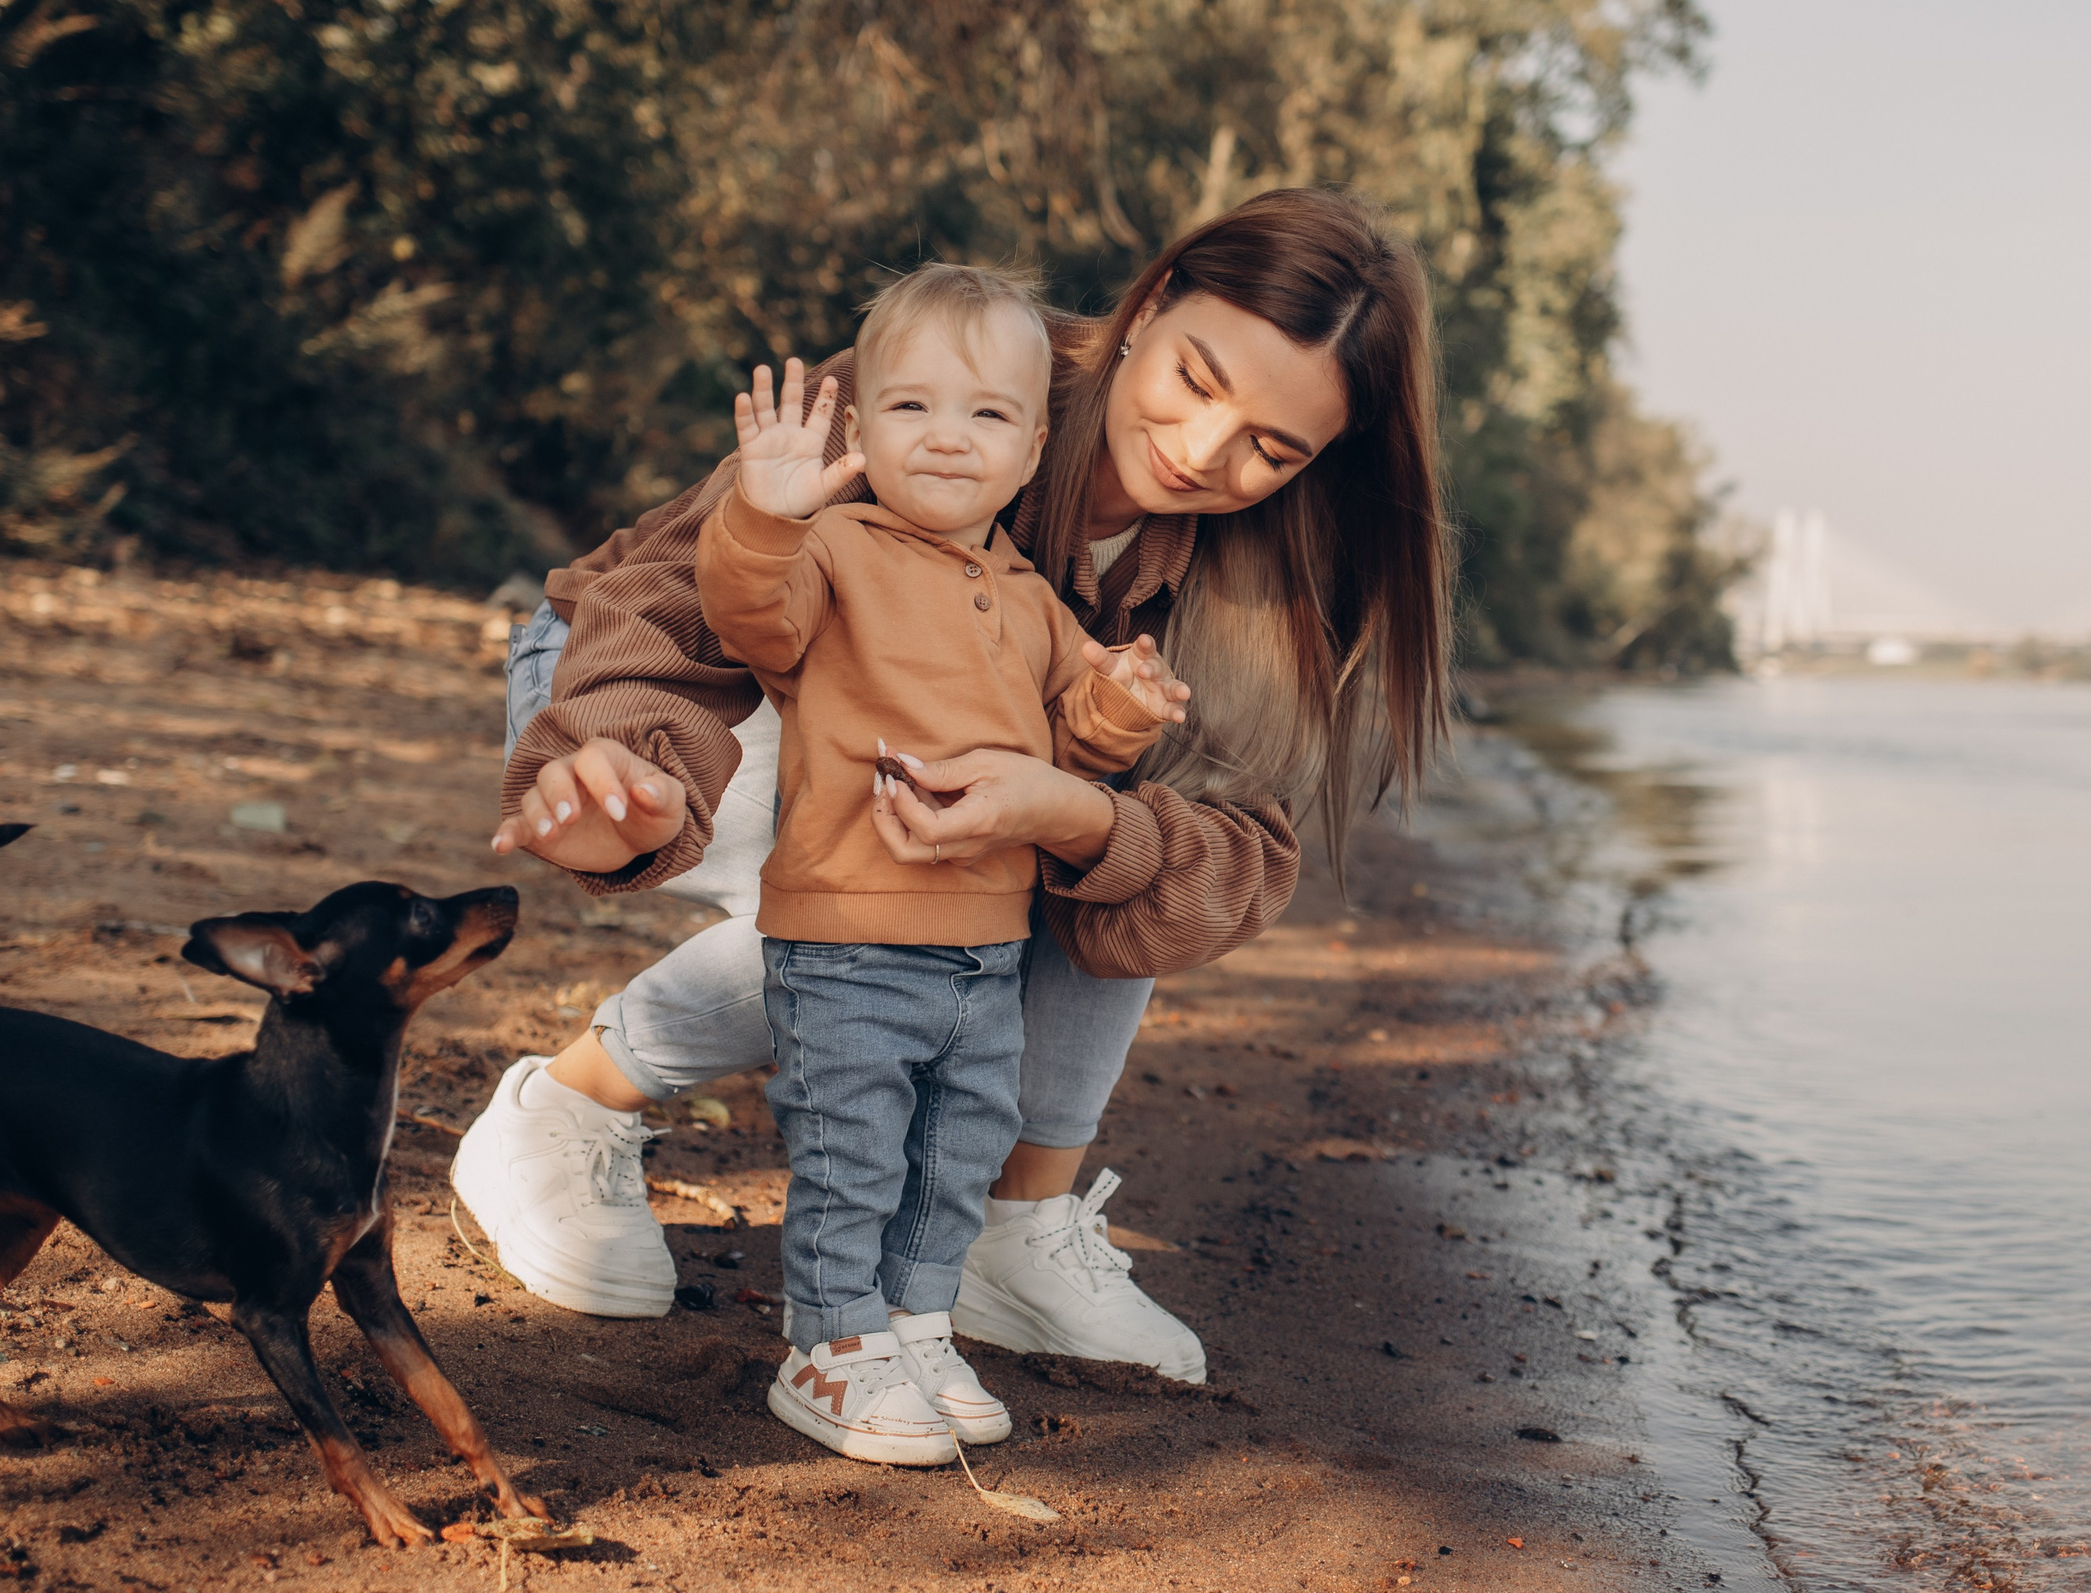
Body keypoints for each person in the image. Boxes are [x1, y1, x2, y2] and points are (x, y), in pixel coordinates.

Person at [453, 187, 1450, 1386]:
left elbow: (1227, 863)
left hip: (915, 797)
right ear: (1152, 304)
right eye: (1196, 379)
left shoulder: (1266, 583)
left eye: (1271, 448)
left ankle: (1013, 1229)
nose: (1203, 453)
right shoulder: (956, 370)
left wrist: (1075, 813)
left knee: (1088, 856)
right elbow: (678, 608)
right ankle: (566, 1109)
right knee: (930, 875)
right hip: (638, 686)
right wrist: (633, 765)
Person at [699, 264, 1187, 1463]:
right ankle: (828, 1341)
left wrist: (1120, 705)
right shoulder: (836, 550)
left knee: (956, 1148)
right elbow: (749, 616)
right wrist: (763, 514)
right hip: (848, 933)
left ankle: (916, 1320)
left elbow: (1067, 740)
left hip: (985, 943)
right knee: (851, 1144)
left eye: (985, 416)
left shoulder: (1028, 596)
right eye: (912, 408)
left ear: (1031, 453)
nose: (948, 439)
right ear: (860, 431)